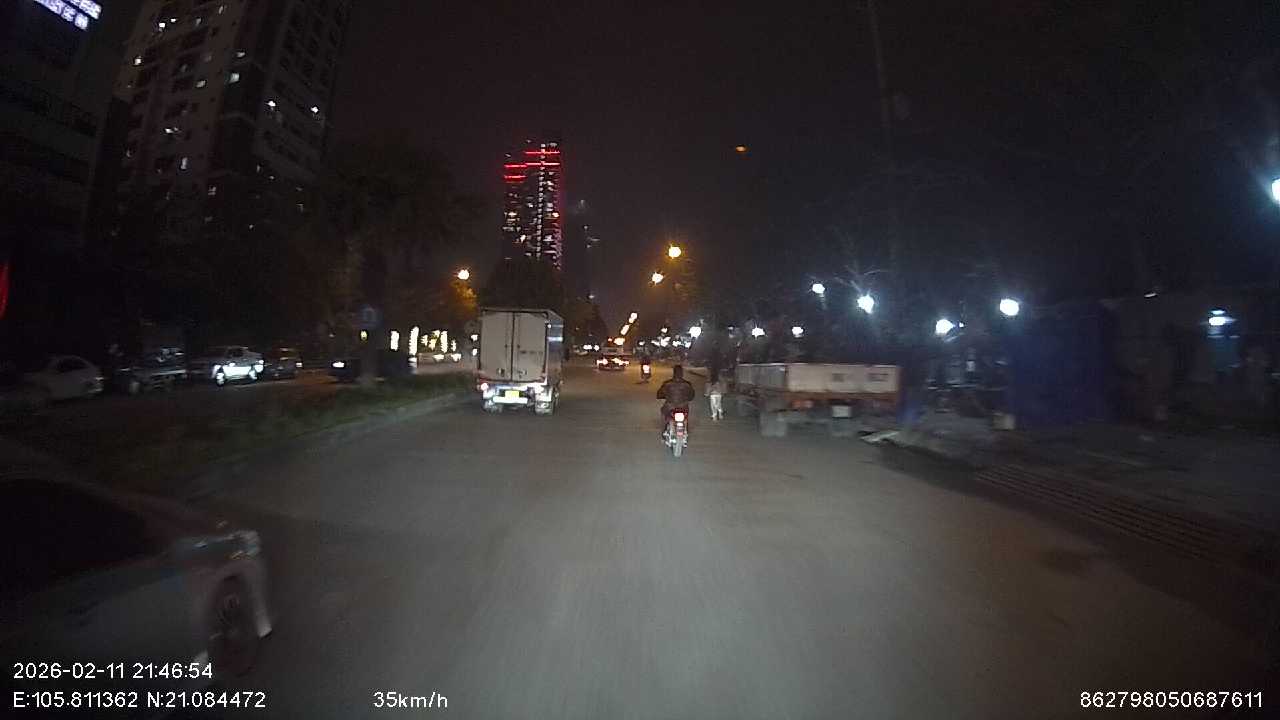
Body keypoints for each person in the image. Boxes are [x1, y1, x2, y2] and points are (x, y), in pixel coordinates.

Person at [656, 364, 696, 436]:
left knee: (664, 414)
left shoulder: (667, 383)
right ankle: (686, 430)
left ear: (674, 373)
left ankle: (664, 431)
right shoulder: (687, 384)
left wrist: (662, 396)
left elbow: (659, 394)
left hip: (670, 406)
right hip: (683, 406)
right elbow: (692, 396)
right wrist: (687, 399)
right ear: (682, 373)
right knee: (685, 417)